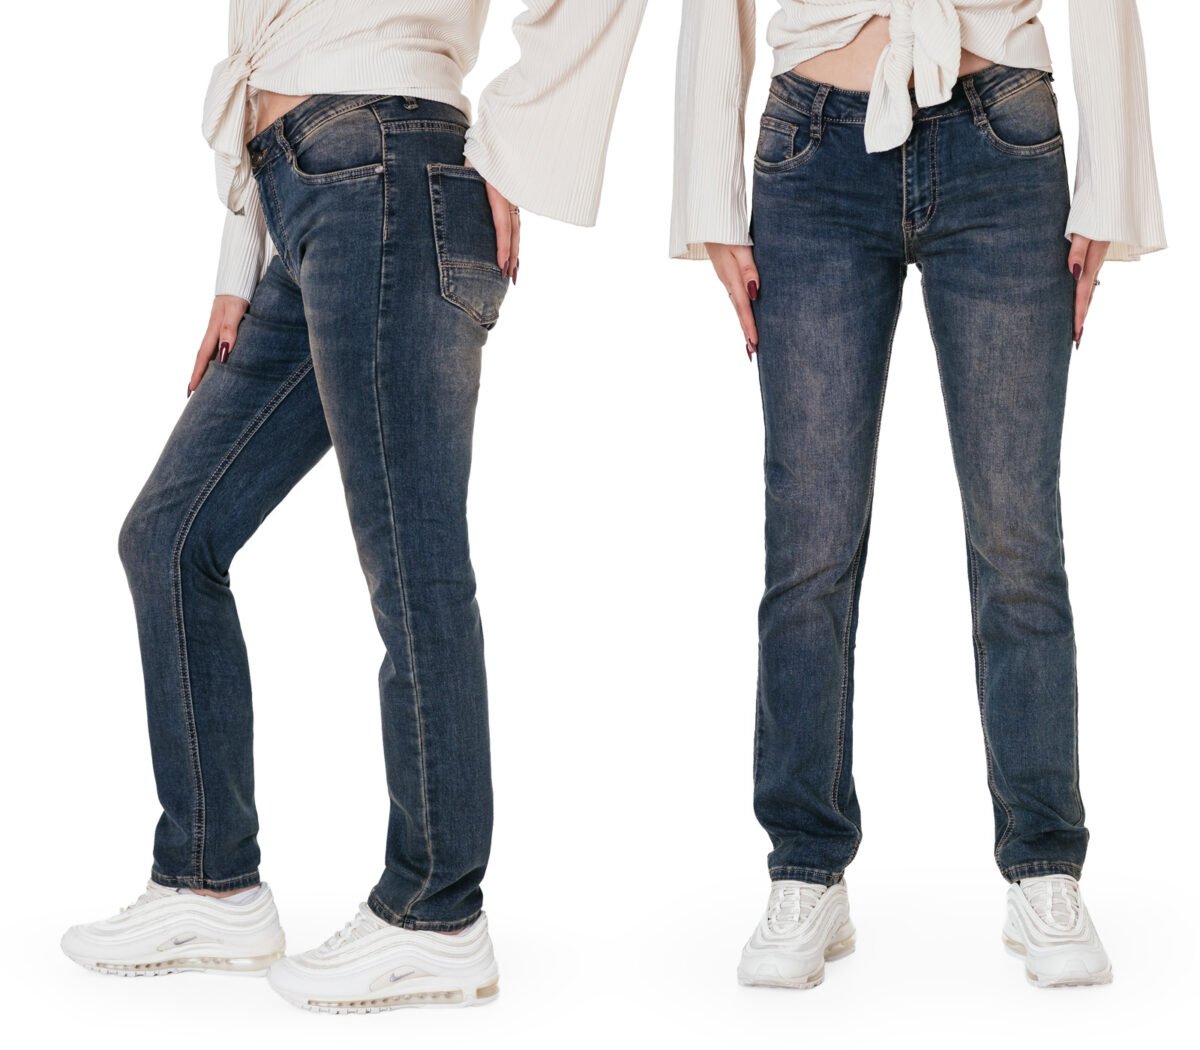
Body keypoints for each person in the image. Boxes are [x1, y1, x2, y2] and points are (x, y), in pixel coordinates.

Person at [60, 0, 649, 1013]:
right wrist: (238, 266)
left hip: (388, 172)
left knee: (414, 565)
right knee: (168, 536)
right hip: (301, 199)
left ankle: (435, 913)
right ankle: (210, 880)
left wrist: (513, 152)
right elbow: (266, 41)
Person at [673, 0, 1165, 989]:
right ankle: (805, 867)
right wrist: (705, 194)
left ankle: (1045, 863)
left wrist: (1111, 187)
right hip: (813, 145)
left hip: (1001, 136)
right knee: (809, 540)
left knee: (1017, 534)